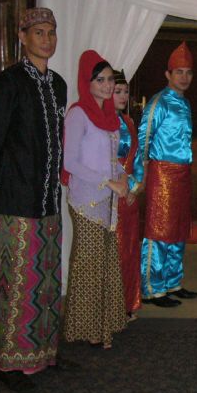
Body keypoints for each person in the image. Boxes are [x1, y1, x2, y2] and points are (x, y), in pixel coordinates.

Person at [0, 7, 71, 391]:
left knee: (46, 280)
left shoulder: (59, 85)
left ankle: (44, 353)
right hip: (16, 201)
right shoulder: (9, 83)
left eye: (51, 32)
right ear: (23, 37)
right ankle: (8, 363)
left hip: (48, 201)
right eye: (38, 32)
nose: (46, 39)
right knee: (16, 283)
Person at [62, 50, 128, 349]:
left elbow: (111, 159)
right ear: (86, 81)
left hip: (107, 199)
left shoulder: (110, 116)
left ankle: (104, 325)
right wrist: (107, 181)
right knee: (88, 264)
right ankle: (83, 329)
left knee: (104, 262)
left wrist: (122, 177)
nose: (105, 84)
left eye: (109, 79)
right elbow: (70, 163)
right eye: (99, 79)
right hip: (86, 198)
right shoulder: (78, 114)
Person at [133, 41, 197, 308]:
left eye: (188, 72)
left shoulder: (184, 103)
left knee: (179, 230)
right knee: (158, 231)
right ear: (168, 75)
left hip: (182, 174)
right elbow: (143, 139)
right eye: (179, 72)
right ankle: (152, 288)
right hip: (162, 175)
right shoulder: (159, 103)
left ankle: (173, 281)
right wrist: (142, 176)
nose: (184, 77)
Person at [113, 69, 142, 321]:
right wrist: (126, 184)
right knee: (117, 250)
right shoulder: (102, 123)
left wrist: (136, 186)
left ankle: (128, 302)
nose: (123, 96)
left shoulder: (129, 121)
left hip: (130, 193)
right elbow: (105, 161)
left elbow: (138, 157)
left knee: (131, 248)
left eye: (125, 91)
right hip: (112, 194)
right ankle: (113, 306)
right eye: (117, 91)